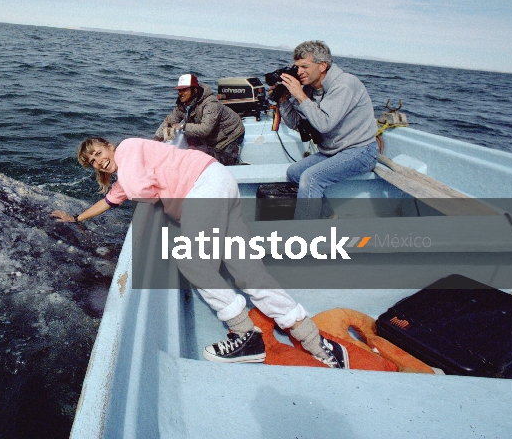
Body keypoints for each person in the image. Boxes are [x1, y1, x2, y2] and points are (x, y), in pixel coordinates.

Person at [51, 137, 349, 368]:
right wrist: (77, 219)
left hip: (203, 186)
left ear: (110, 147)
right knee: (247, 271)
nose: (98, 161)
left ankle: (246, 334)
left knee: (192, 262)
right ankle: (315, 341)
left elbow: (143, 190)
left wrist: (136, 191)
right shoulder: (124, 174)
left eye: (99, 153)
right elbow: (110, 200)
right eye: (92, 162)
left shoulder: (128, 149)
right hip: (217, 180)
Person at [276, 41, 379, 219]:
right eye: (297, 67)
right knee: (294, 173)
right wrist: (283, 100)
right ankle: (330, 217)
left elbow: (324, 124)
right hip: (332, 151)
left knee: (311, 178)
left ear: (323, 66)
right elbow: (295, 124)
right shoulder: (310, 89)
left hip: (360, 151)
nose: (299, 72)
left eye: (305, 66)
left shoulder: (345, 84)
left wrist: (299, 95)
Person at [153, 74, 245, 166]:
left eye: (184, 90)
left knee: (222, 163)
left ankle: (234, 160)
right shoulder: (182, 104)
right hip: (211, 138)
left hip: (231, 135)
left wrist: (182, 126)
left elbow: (205, 129)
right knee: (193, 149)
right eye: (179, 90)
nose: (180, 93)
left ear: (194, 90)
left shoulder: (210, 104)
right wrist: (156, 140)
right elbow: (170, 120)